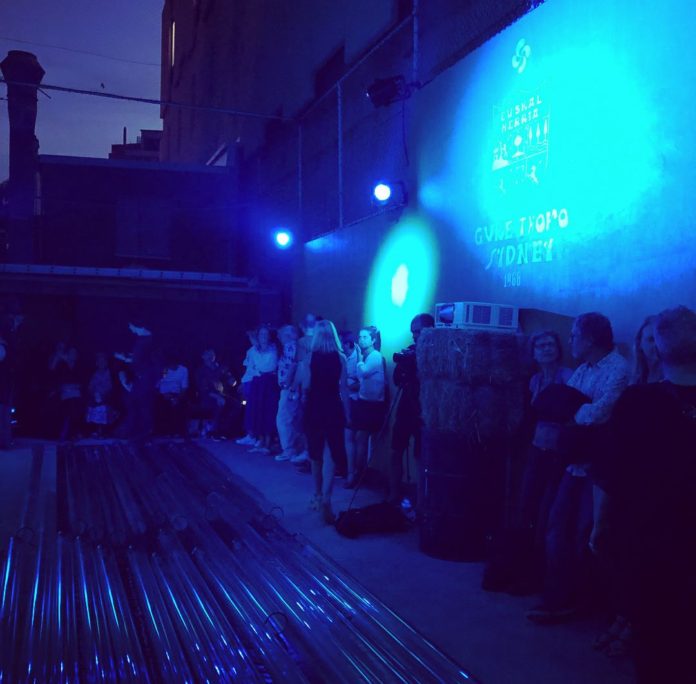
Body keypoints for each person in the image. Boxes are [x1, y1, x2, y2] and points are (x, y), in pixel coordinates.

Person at [597, 306, 696, 683]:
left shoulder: (637, 403)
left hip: (649, 544)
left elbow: (610, 476)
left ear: (658, 347)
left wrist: (600, 526)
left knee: (655, 646)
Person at [527, 312, 628, 623]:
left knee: (586, 533)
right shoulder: (582, 370)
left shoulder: (618, 369)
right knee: (557, 527)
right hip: (573, 463)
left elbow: (601, 413)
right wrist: (577, 412)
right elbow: (560, 410)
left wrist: (574, 412)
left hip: (598, 468)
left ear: (590, 339)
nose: (569, 340)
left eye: (574, 335)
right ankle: (558, 596)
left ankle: (584, 601)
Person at [301, 319, 349, 524]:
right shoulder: (341, 358)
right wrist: (348, 414)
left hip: (314, 406)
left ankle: (318, 494)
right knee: (331, 453)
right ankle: (328, 497)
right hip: (333, 406)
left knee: (315, 453)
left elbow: (306, 385)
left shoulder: (310, 357)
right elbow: (344, 389)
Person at [388, 313, 435, 505]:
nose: (414, 336)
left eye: (418, 331)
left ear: (429, 330)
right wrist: (404, 366)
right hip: (405, 408)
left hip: (424, 411)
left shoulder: (436, 353)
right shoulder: (410, 351)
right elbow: (397, 380)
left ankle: (422, 499)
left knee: (421, 456)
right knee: (395, 451)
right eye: (413, 332)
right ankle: (394, 494)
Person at [350, 326, 386, 487]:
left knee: (363, 438)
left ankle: (361, 474)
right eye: (360, 337)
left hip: (373, 405)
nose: (361, 340)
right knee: (361, 439)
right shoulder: (368, 356)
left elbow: (363, 372)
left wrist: (358, 357)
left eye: (365, 337)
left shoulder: (375, 356)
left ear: (373, 340)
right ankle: (361, 473)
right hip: (365, 402)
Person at [246, 325, 279, 453]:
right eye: (261, 334)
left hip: (269, 382)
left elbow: (272, 365)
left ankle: (268, 443)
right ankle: (260, 441)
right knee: (258, 410)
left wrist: (262, 371)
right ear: (258, 336)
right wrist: (257, 372)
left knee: (269, 410)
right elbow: (251, 366)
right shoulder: (253, 350)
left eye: (266, 334)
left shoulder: (274, 349)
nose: (263, 336)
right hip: (258, 382)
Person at [274, 324, 302, 461]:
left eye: (281, 334)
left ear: (288, 335)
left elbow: (293, 365)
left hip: (289, 388)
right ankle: (292, 448)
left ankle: (289, 450)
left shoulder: (290, 346)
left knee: (283, 419)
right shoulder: (291, 346)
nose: (279, 337)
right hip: (290, 387)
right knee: (290, 418)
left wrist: (287, 381)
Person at [340, 330, 360, 487]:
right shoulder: (343, 357)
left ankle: (351, 473)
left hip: (353, 401)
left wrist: (348, 385)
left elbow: (362, 381)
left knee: (349, 437)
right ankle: (344, 469)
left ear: (347, 344)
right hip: (342, 399)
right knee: (343, 437)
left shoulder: (358, 357)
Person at [85, 352, 115, 436]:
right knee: (92, 404)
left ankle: (104, 430)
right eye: (99, 361)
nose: (101, 363)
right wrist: (94, 394)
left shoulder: (111, 374)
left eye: (103, 361)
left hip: (107, 397)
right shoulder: (94, 374)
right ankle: (95, 429)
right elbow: (90, 387)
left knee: (104, 405)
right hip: (95, 397)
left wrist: (103, 395)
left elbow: (111, 387)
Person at [631, 315, 663, 385]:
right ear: (640, 344)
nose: (657, 344)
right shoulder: (636, 380)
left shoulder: (676, 379)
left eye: (660, 339)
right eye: (651, 339)